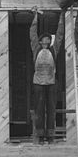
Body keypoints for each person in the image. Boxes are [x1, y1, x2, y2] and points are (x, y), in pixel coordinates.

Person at [29, 9, 64, 143]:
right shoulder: (36, 48)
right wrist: (35, 17)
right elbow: (32, 33)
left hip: (51, 83)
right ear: (41, 40)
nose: (47, 39)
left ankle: (50, 135)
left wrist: (62, 17)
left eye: (49, 38)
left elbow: (60, 35)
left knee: (51, 109)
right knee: (39, 109)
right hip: (38, 83)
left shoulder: (53, 49)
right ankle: (40, 135)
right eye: (45, 38)